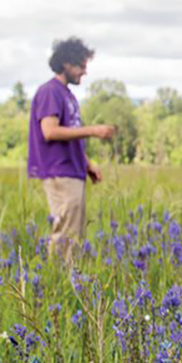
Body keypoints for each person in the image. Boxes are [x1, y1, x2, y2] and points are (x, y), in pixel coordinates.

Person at [27, 36, 116, 258]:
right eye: (81, 67)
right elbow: (50, 131)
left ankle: (69, 280)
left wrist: (87, 163)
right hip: (59, 169)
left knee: (74, 233)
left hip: (72, 169)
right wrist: (93, 130)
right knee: (66, 233)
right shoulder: (50, 91)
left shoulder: (68, 95)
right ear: (67, 64)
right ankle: (58, 281)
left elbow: (70, 134)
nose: (84, 72)